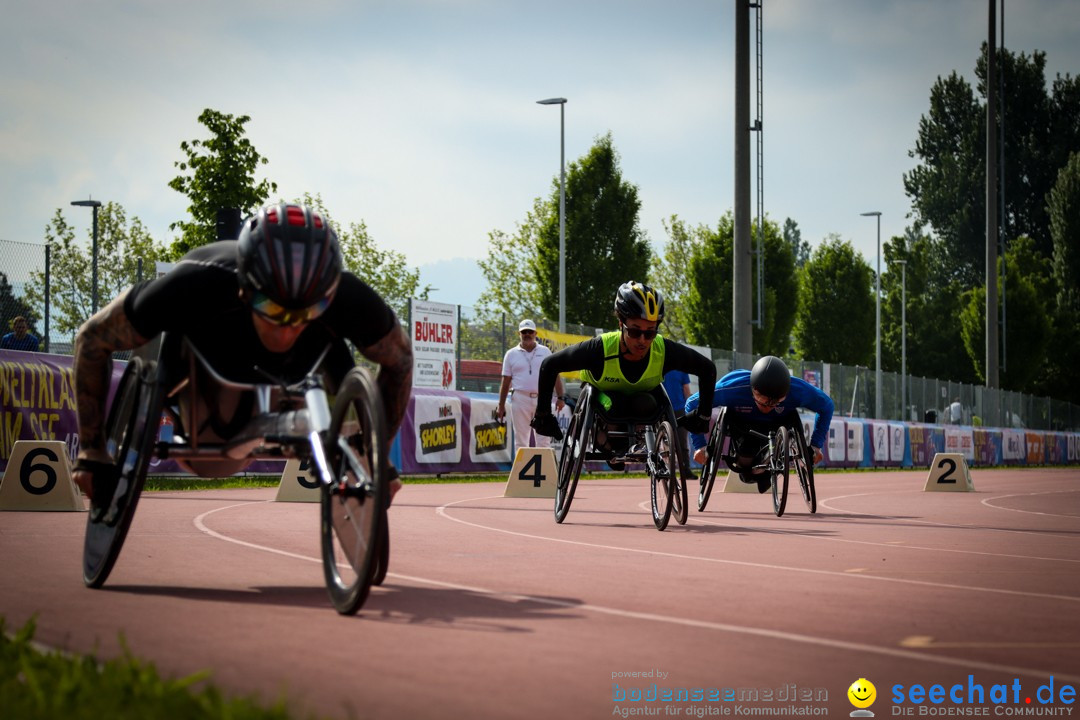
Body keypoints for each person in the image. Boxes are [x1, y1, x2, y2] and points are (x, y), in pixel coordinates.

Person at [71, 202, 413, 507]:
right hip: (204, 363)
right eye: (271, 307)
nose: (286, 327)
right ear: (245, 287)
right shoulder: (194, 285)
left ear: (329, 293)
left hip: (297, 373)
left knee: (337, 348)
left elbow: (400, 360)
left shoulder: (348, 299)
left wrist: (377, 453)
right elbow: (91, 338)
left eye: (305, 312)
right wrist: (92, 450)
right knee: (210, 460)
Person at [529, 281, 715, 472]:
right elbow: (549, 365)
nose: (642, 340)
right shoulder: (599, 348)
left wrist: (703, 414)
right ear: (621, 324)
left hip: (642, 399)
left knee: (645, 402)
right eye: (635, 331)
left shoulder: (663, 349)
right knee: (615, 404)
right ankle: (613, 447)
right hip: (603, 396)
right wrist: (543, 414)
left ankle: (638, 444)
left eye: (649, 333)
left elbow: (707, 369)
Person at [686, 355, 833, 493]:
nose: (768, 407)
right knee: (746, 465)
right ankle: (755, 470)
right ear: (752, 389)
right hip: (743, 426)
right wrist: (700, 445)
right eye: (763, 400)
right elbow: (692, 404)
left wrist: (815, 445)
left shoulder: (798, 390)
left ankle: (767, 465)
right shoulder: (732, 388)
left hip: (778, 426)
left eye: (775, 402)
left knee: (765, 462)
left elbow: (827, 406)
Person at [496, 319, 565, 451]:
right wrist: (501, 406)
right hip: (520, 398)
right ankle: (522, 472)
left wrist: (561, 397)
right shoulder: (511, 354)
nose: (527, 334)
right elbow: (505, 382)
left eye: (530, 332)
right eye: (524, 332)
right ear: (519, 334)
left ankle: (543, 471)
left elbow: (555, 375)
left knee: (543, 440)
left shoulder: (545, 352)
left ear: (535, 333)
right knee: (521, 440)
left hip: (543, 398)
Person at [662, 368, 692, 471]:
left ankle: (684, 468)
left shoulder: (682, 370)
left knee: (680, 440)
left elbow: (686, 389)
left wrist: (689, 408)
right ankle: (673, 468)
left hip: (678, 409)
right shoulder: (661, 367)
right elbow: (686, 390)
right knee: (671, 441)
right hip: (664, 409)